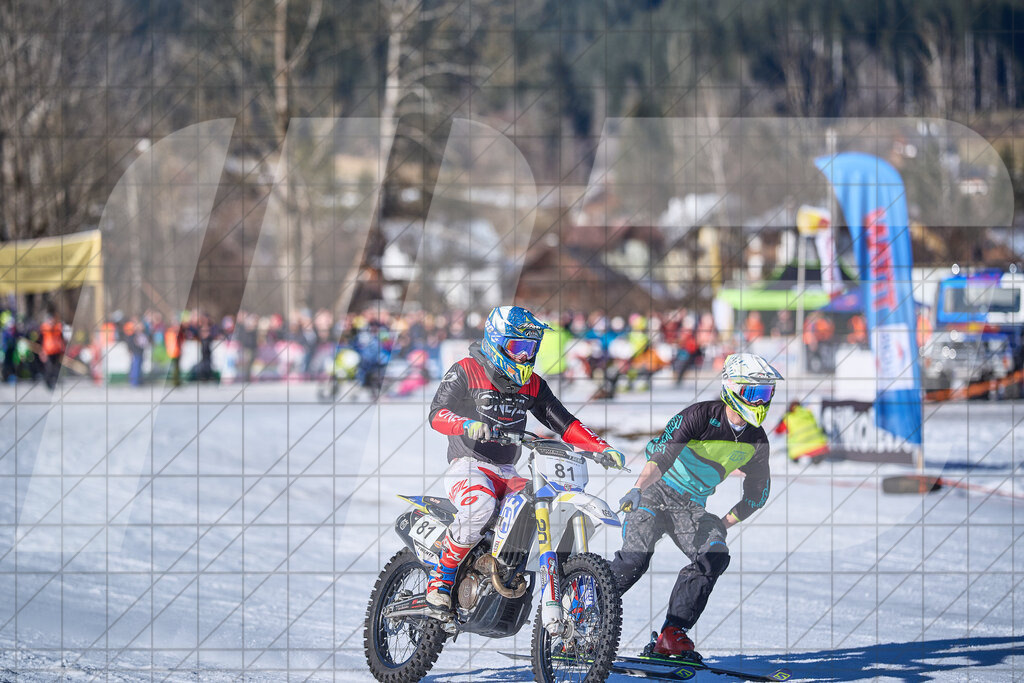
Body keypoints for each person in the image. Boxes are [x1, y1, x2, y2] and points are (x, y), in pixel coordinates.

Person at [425, 305, 626, 611]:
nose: (523, 356)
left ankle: (524, 577)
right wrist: (466, 424)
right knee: (479, 507)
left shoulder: (532, 384)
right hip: (468, 465)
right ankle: (441, 580)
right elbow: (436, 413)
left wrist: (600, 447)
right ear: (496, 342)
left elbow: (565, 422)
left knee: (541, 506)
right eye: (517, 347)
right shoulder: (467, 369)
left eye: (530, 348)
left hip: (507, 470)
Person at [611, 352, 782, 656]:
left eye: (765, 393)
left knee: (714, 555)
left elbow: (758, 493)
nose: (759, 402)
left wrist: (724, 523)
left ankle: (671, 635)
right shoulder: (699, 415)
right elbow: (661, 457)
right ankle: (582, 611)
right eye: (752, 392)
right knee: (635, 561)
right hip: (656, 491)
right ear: (731, 387)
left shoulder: (757, 442)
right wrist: (638, 489)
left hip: (690, 507)